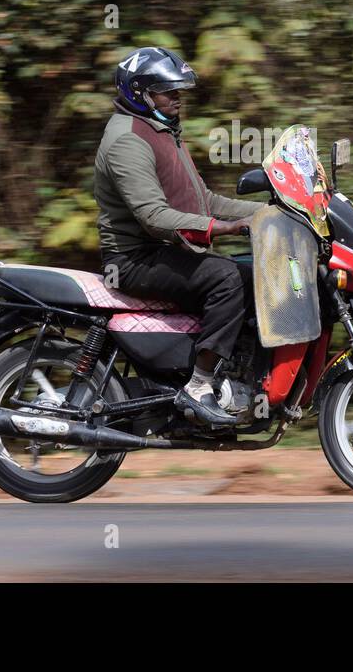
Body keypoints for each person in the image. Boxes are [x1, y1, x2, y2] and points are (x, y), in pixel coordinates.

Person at [94, 46, 259, 426]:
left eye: (179, 91)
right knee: (226, 277)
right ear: (140, 92)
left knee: (255, 275)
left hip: (165, 251)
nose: (177, 98)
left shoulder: (161, 131)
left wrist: (271, 212)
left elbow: (206, 201)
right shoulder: (127, 140)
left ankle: (234, 375)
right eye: (168, 91)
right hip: (135, 259)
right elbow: (153, 217)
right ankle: (199, 386)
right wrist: (226, 229)